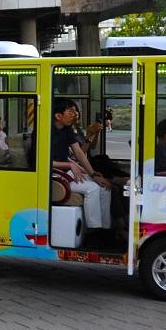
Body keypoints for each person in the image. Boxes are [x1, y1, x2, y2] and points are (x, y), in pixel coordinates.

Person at [51, 98, 111, 233]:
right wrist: (69, 164)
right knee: (92, 189)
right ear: (58, 116)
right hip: (53, 175)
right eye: (70, 110)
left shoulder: (66, 130)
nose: (74, 113)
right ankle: (94, 231)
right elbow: (43, 162)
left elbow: (78, 152)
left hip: (67, 172)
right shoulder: (45, 132)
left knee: (104, 188)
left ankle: (106, 230)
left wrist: (93, 174)